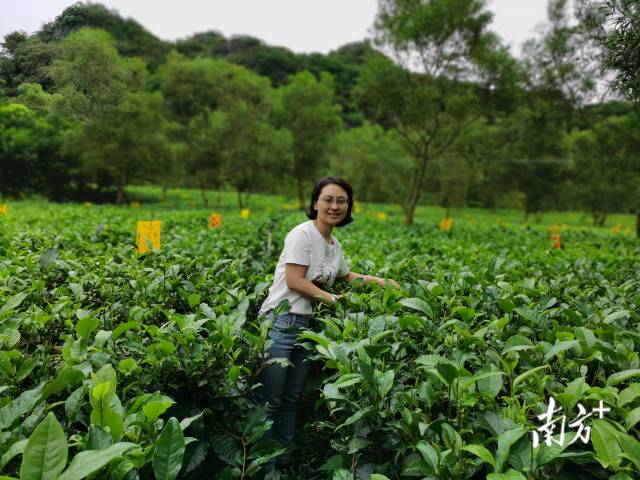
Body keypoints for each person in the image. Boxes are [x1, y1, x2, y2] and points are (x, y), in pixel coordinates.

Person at [255, 176, 399, 471]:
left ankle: (284, 464)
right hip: (281, 321)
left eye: (342, 201)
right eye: (328, 199)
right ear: (314, 203)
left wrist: (378, 282)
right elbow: (295, 281)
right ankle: (262, 468)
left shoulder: (333, 243)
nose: (335, 206)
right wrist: (334, 300)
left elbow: (346, 276)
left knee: (291, 400)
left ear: (349, 206)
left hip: (307, 327)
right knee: (269, 401)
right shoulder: (302, 234)